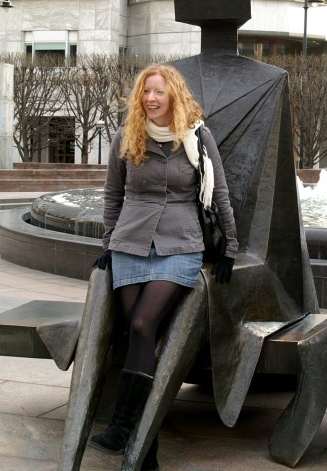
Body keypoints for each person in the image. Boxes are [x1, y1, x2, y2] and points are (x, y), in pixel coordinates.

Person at [87, 64, 238, 470]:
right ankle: (146, 448)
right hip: (131, 242)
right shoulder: (127, 135)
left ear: (174, 95)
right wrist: (108, 243)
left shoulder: (197, 138)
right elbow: (112, 195)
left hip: (179, 244)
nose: (151, 98)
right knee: (132, 333)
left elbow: (219, 192)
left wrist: (230, 248)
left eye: (159, 92)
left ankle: (121, 427)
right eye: (145, 92)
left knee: (141, 325)